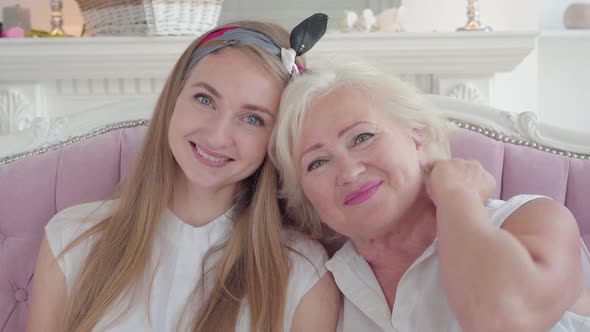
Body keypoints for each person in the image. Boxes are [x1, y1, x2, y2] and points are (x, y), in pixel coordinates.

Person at [26, 16, 340, 332]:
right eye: (205, 99)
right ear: (174, 97)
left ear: (276, 140)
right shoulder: (72, 239)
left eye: (252, 119)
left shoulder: (303, 273)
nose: (217, 136)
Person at [269, 58, 590, 331]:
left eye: (362, 137)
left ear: (417, 135)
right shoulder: (319, 282)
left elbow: (501, 316)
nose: (349, 171)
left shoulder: (531, 219)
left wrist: (455, 194)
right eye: (318, 162)